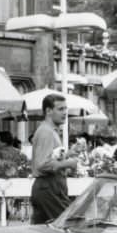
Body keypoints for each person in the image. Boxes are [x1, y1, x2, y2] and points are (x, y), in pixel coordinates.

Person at [31, 93, 78, 224]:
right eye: (60, 109)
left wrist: (68, 154)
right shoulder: (46, 132)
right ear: (48, 111)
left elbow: (51, 157)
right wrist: (70, 163)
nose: (65, 113)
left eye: (66, 109)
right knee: (68, 225)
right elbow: (42, 164)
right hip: (49, 187)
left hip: (47, 187)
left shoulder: (50, 131)